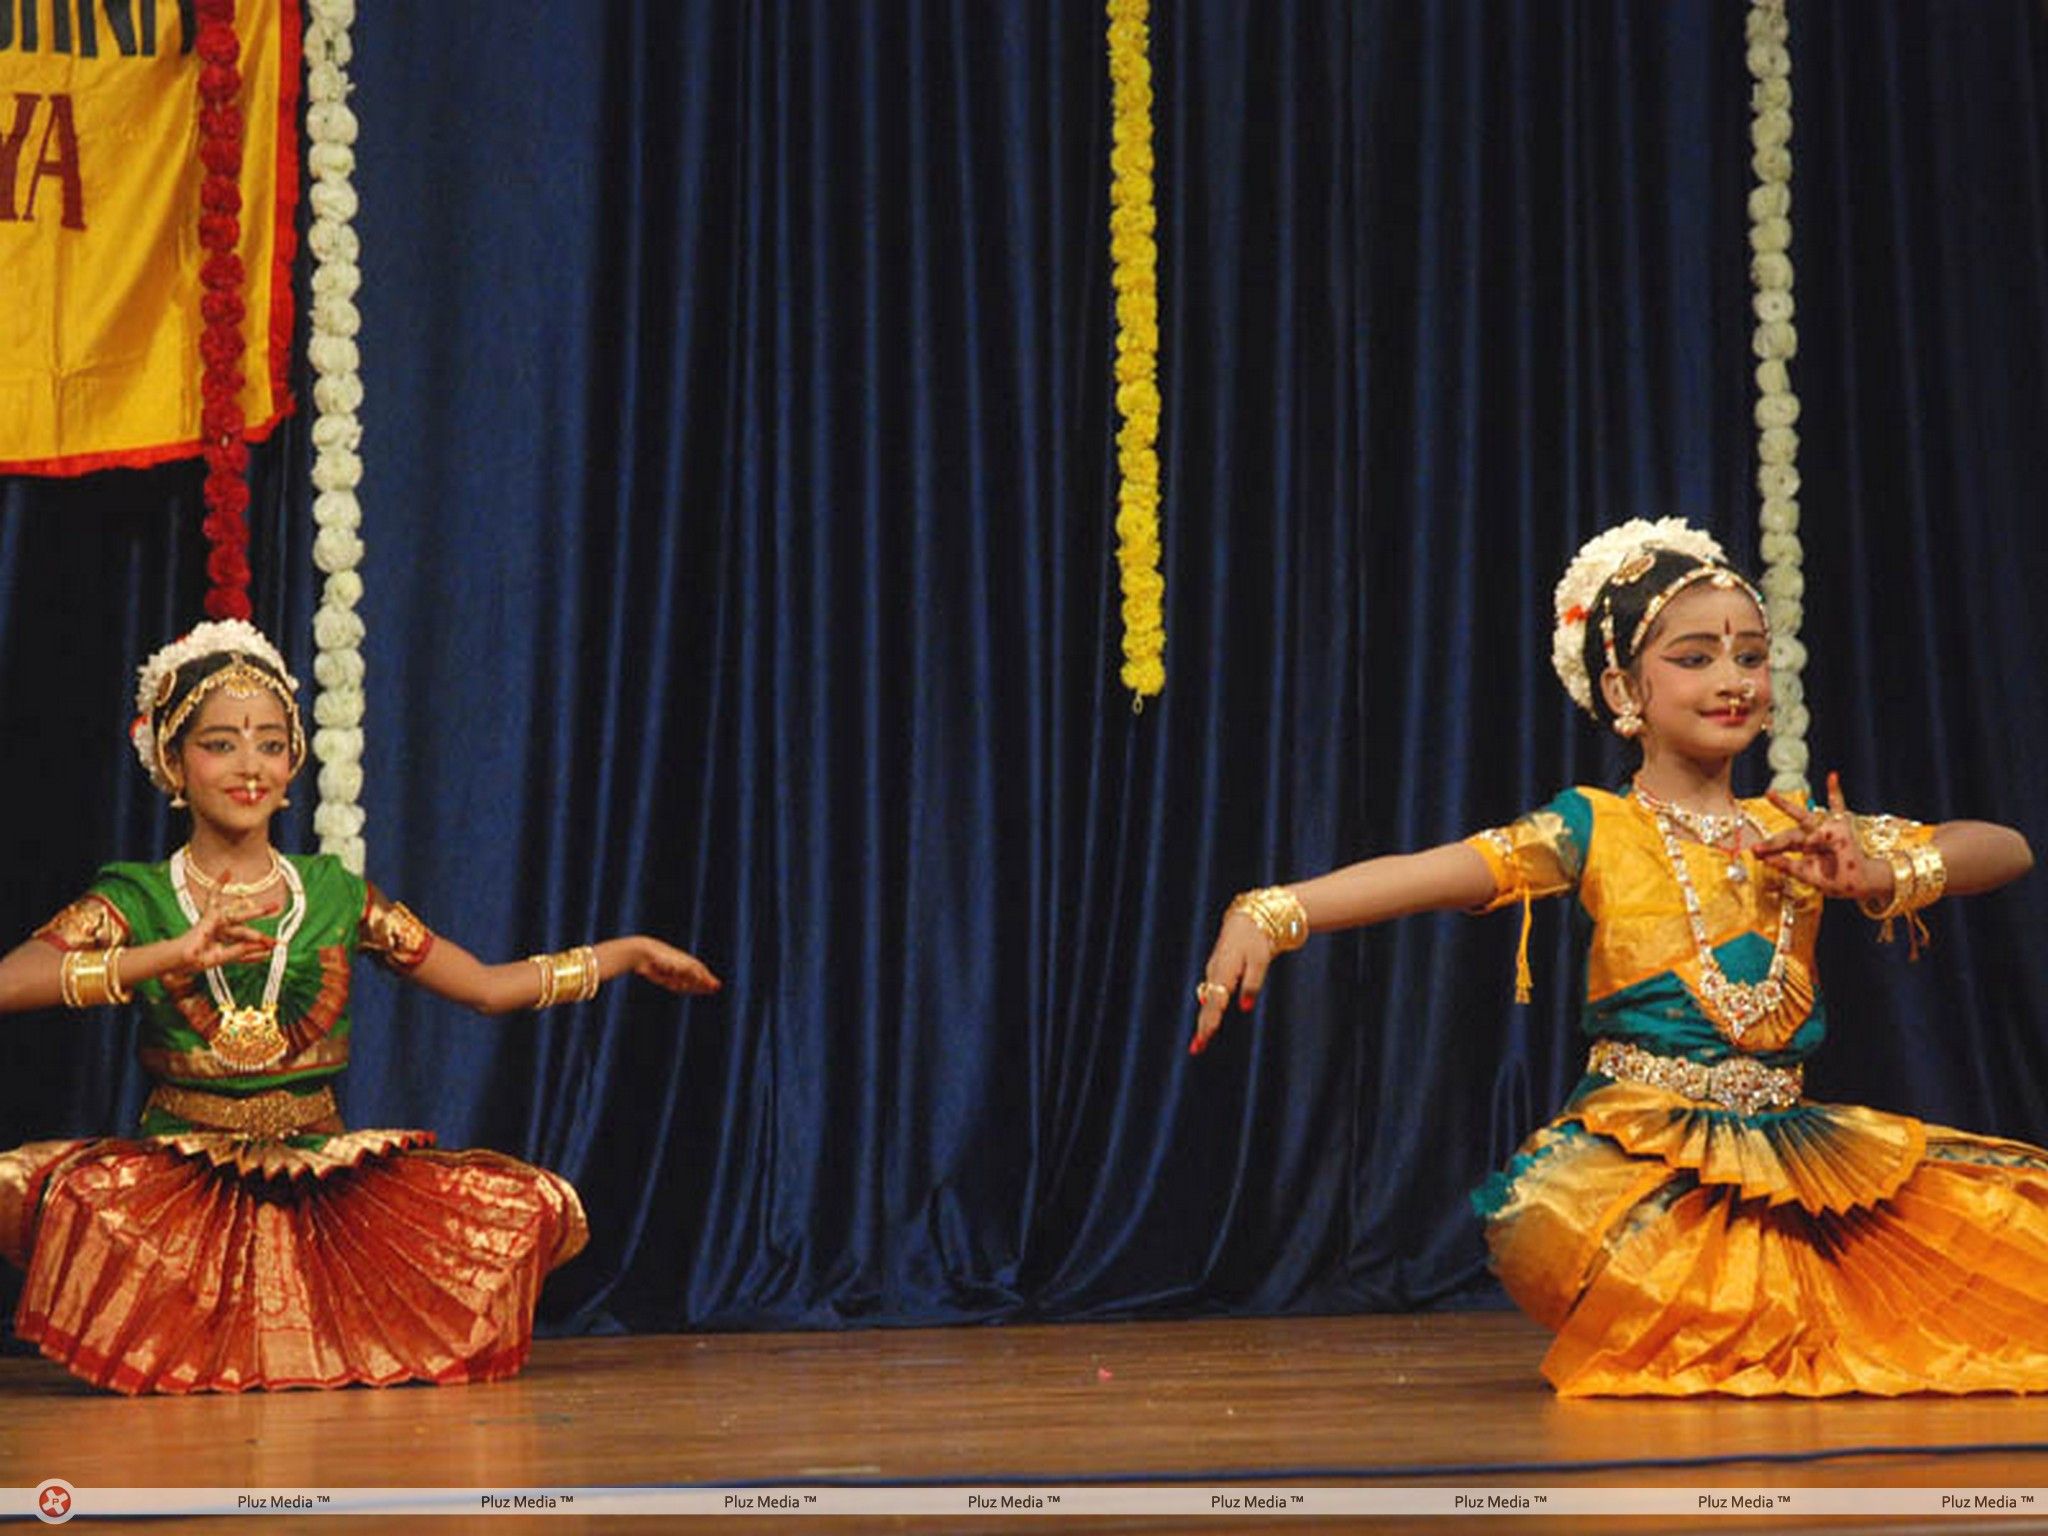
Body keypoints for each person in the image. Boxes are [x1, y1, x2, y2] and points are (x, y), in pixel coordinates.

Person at [1192, 518, 2045, 1396]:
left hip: (1802, 1162)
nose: (1732, 681)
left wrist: (1880, 873)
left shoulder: (1795, 826)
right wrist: (1272, 911)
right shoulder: (1594, 824)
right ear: (1621, 686)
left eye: (1750, 658)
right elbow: (1430, 874)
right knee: (1722, 1314)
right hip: (1645, 1181)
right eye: (1695, 658)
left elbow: (2006, 847)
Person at [0, 620, 721, 1394]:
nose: (251, 767)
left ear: (294, 761)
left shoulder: (338, 894)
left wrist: (625, 954)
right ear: (172, 762)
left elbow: (483, 987)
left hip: (321, 1178)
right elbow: (11, 981)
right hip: (182, 1177)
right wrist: (167, 955)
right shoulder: (135, 899)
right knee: (53, 1193)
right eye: (221, 744)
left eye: (271, 745)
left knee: (525, 1202)